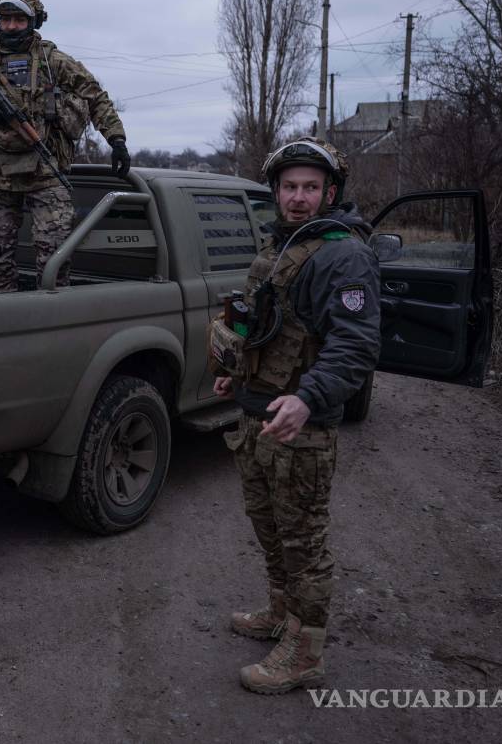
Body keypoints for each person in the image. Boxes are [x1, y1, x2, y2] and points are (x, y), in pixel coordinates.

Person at [210, 137, 380, 694]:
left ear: (330, 192)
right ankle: (282, 615)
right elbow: (269, 324)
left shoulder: (342, 253)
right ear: (276, 192)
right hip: (256, 415)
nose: (299, 197)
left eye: (311, 187)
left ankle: (305, 652)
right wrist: (237, 372)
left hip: (301, 428)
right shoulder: (283, 245)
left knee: (303, 542)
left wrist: (308, 396)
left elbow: (354, 345)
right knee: (270, 530)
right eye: (290, 187)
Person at [0, 0, 129, 293]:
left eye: (18, 19)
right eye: (5, 18)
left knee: (54, 261)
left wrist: (116, 139)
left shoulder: (53, 62)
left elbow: (95, 94)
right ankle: (5, 322)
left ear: (33, 21)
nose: (10, 25)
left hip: (45, 174)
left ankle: (53, 323)